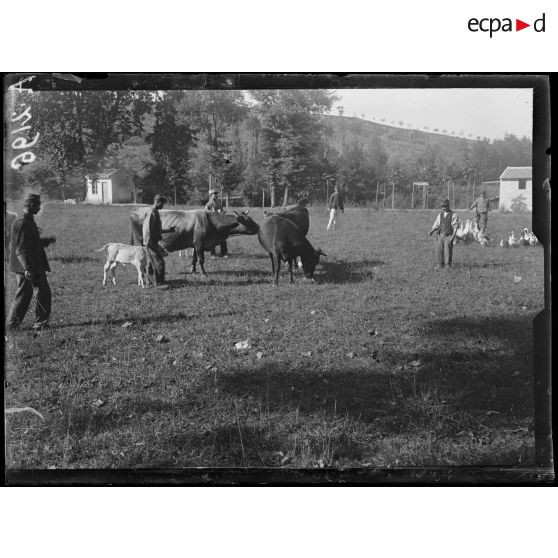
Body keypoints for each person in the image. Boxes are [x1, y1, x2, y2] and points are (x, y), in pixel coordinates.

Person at [7, 193, 56, 332]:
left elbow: (31, 242)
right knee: (24, 294)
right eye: (38, 204)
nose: (40, 207)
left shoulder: (29, 220)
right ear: (31, 205)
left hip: (34, 264)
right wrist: (27, 268)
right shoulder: (22, 222)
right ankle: (12, 325)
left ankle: (40, 323)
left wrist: (46, 241)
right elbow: (21, 249)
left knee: (43, 292)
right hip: (26, 265)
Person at [143, 195, 175, 285]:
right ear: (158, 202)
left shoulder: (155, 212)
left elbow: (157, 229)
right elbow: (147, 229)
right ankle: (158, 283)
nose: (163, 206)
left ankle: (149, 282)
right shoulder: (151, 213)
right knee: (159, 262)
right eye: (162, 204)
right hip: (150, 242)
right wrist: (149, 243)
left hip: (152, 241)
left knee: (151, 262)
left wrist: (169, 230)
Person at [428, 199, 460, 270]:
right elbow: (436, 225)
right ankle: (439, 264)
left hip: (448, 236)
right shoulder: (440, 215)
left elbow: (455, 227)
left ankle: (448, 265)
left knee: (447, 251)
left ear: (448, 205)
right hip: (440, 235)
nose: (443, 208)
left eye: (445, 206)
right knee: (439, 250)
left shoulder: (454, 214)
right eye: (442, 206)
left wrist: (452, 237)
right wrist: (431, 231)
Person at [205, 189, 228, 258]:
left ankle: (224, 253)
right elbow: (205, 212)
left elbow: (221, 210)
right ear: (211, 195)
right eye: (214, 194)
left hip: (220, 222)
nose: (216, 195)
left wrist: (222, 212)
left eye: (216, 194)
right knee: (213, 239)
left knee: (223, 238)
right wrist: (215, 213)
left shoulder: (218, 202)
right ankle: (213, 254)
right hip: (212, 223)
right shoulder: (209, 204)